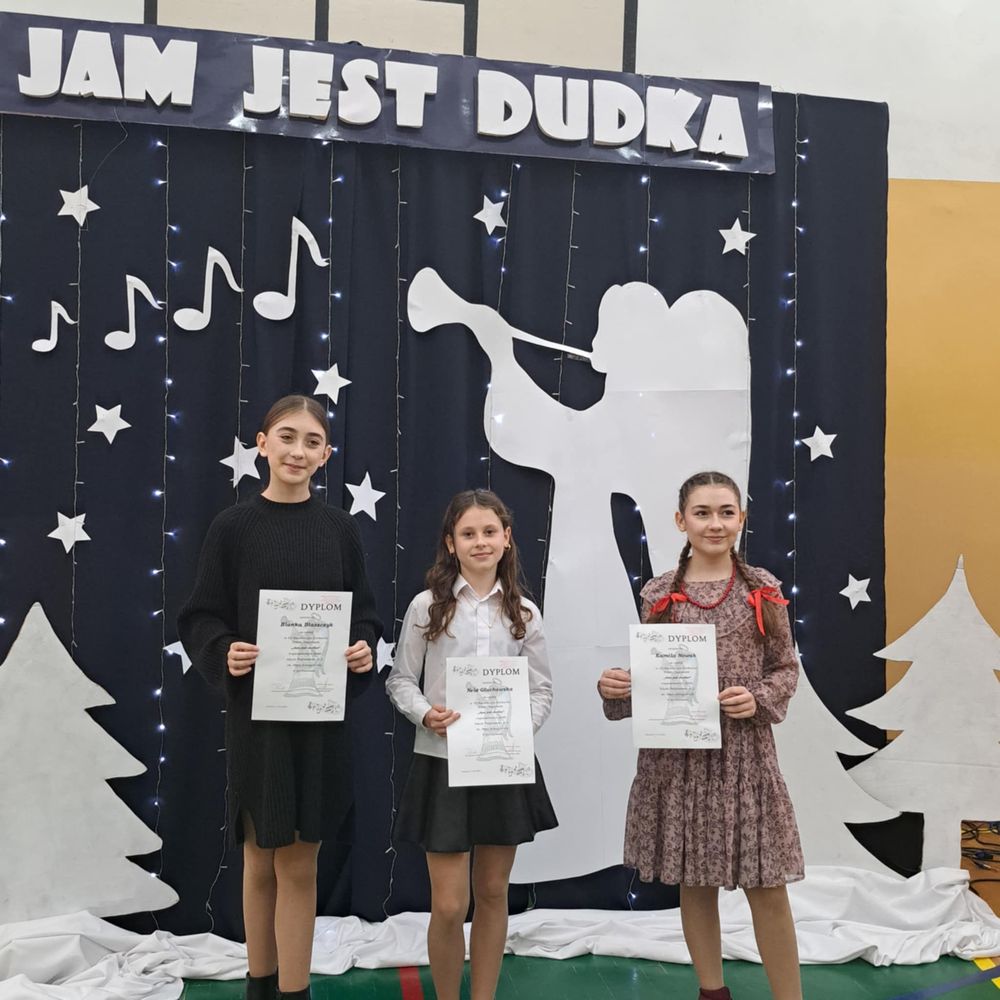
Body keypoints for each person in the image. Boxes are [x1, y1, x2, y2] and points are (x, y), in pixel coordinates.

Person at [178, 395, 381, 1000]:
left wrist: (363, 648)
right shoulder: (232, 527)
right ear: (262, 444)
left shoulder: (340, 529)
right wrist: (224, 650)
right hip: (256, 722)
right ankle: (258, 984)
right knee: (258, 856)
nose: (298, 451)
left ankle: (295, 991)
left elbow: (365, 615)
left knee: (299, 862)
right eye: (287, 437)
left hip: (319, 722)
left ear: (326, 455)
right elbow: (201, 615)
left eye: (312, 441)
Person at [598, 471, 804, 1000]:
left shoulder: (762, 588)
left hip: (744, 758)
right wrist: (619, 686)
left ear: (742, 519)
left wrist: (758, 698)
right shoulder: (659, 593)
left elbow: (785, 667)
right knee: (695, 879)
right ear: (680, 520)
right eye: (703, 513)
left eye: (726, 512)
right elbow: (655, 674)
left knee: (767, 884)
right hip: (679, 759)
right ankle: (712, 992)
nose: (715, 523)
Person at [386, 489, 558, 1000]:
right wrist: (426, 713)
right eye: (468, 533)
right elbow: (400, 680)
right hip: (442, 763)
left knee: (493, 892)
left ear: (507, 539)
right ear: (450, 543)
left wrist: (519, 727)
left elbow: (542, 690)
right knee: (449, 905)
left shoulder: (525, 612)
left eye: (489, 532)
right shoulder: (427, 606)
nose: (480, 541)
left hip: (504, 764)